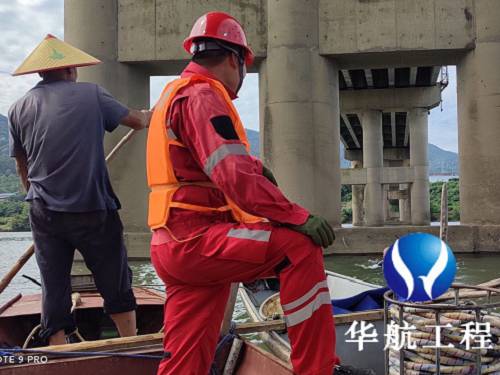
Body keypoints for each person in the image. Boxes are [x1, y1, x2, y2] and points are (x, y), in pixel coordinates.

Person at [147, 12, 375, 375]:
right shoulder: (204, 96)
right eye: (243, 68)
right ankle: (318, 368)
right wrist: (296, 215)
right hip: (197, 239)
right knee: (299, 247)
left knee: (187, 357)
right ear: (234, 58)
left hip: (172, 243)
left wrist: (254, 170)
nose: (241, 79)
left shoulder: (175, 95)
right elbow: (233, 175)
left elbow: (213, 168)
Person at [8, 34, 151, 345]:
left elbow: (23, 165)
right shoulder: (92, 94)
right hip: (93, 208)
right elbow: (137, 122)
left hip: (43, 212)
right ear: (71, 69)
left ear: (41, 72)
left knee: (53, 283)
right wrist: (147, 115)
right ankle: (129, 344)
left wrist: (35, 197)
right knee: (114, 278)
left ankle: (58, 352)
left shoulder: (18, 108)